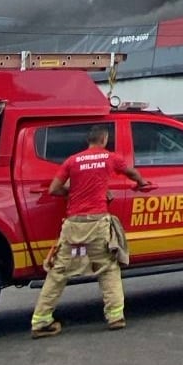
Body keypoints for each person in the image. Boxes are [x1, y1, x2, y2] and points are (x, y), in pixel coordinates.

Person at [30, 125, 151, 339]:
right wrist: (141, 183)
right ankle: (115, 317)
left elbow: (54, 189)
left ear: (88, 140)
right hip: (97, 223)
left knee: (58, 272)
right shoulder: (109, 158)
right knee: (107, 268)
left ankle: (41, 321)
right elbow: (131, 172)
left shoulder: (72, 160)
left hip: (73, 224)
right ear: (104, 139)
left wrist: (73, 191)